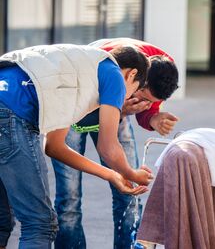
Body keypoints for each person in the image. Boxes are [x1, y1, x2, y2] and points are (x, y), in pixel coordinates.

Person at [0, 44, 152, 248]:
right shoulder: (113, 73)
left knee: (2, 218)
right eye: (133, 91)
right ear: (132, 74)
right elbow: (108, 146)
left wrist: (112, 175)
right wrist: (132, 174)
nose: (126, 98)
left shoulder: (75, 70)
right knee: (39, 223)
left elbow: (54, 147)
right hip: (10, 116)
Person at [52, 38, 179, 249]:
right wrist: (118, 107)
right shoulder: (112, 61)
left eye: (151, 101)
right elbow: (106, 145)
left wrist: (152, 117)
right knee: (69, 198)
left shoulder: (164, 72)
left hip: (116, 108)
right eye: (143, 97)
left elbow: (145, 107)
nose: (146, 103)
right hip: (77, 107)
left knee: (129, 194)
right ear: (135, 77)